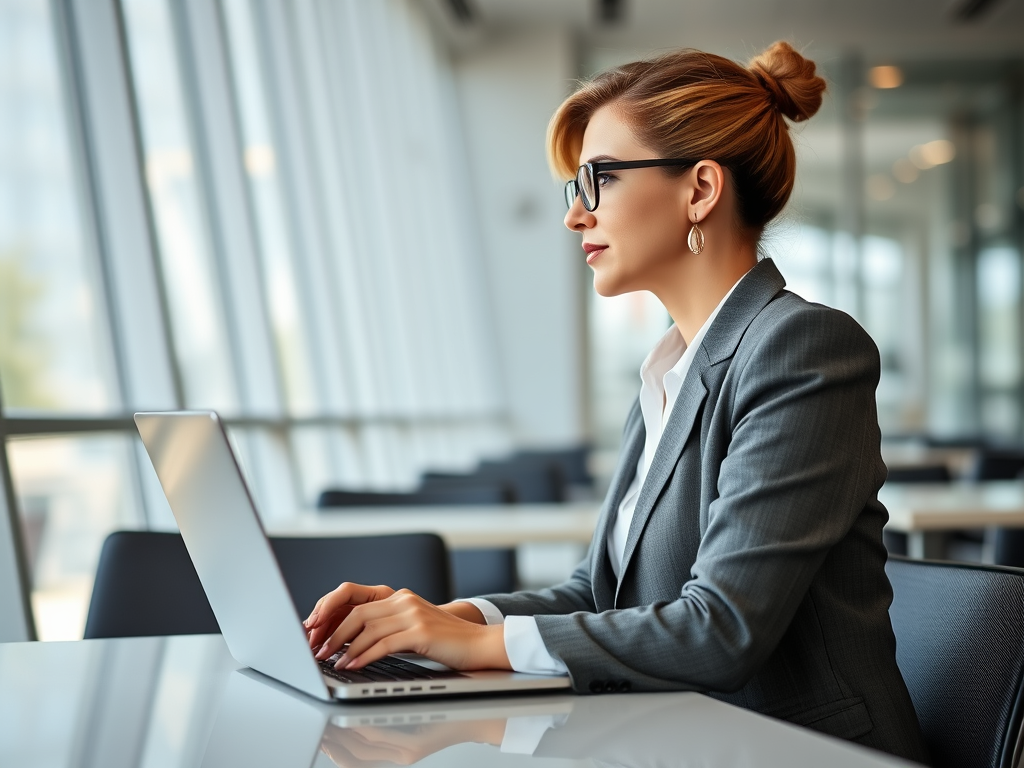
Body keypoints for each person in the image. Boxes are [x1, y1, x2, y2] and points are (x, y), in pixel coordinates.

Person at [303, 41, 928, 763]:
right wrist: (446, 618)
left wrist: (478, 644)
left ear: (699, 190)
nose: (576, 216)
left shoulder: (804, 348)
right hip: (688, 741)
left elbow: (720, 628)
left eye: (599, 179)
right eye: (578, 187)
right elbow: (601, 591)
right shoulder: (669, 369)